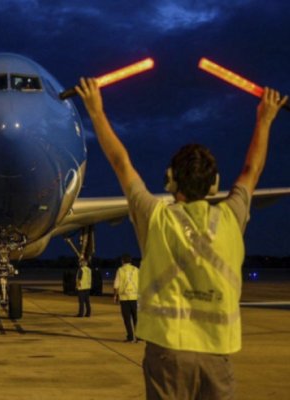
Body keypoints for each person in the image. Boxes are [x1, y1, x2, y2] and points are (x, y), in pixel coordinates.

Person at [76, 77, 287, 399]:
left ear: (170, 182)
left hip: (168, 353)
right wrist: (266, 118)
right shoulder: (231, 218)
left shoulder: (157, 218)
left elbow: (121, 162)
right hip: (217, 354)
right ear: (215, 185)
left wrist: (96, 111)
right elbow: (251, 171)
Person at [113, 253, 139, 342]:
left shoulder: (120, 270)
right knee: (136, 318)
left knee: (127, 319)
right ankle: (139, 336)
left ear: (122, 261)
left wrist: (115, 295)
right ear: (130, 261)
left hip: (124, 298)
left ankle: (130, 337)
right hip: (134, 297)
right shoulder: (136, 270)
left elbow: (116, 285)